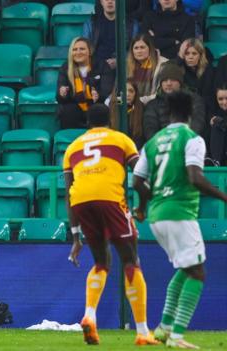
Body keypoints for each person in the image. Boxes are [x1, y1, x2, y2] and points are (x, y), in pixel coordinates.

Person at [132, 90, 227, 349]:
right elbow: (195, 177)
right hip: (180, 212)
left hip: (156, 215)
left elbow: (137, 180)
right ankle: (177, 335)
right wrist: (223, 196)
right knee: (197, 272)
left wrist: (142, 206)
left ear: (167, 113)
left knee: (186, 269)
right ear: (192, 113)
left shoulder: (152, 142)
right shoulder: (192, 138)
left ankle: (163, 328)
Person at [64, 104, 158, 346]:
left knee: (101, 262)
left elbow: (69, 192)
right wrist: (143, 206)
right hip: (110, 199)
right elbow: (139, 175)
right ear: (110, 119)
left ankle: (89, 315)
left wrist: (75, 237)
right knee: (131, 261)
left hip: (81, 203)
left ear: (88, 122)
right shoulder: (120, 139)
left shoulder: (72, 147)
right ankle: (142, 331)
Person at [56, 37, 114, 129]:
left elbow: (107, 90)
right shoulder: (65, 67)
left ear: (90, 51)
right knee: (68, 110)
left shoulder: (102, 65)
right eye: (75, 49)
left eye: (82, 49)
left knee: (99, 109)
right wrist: (63, 94)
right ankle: (70, 141)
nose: (78, 52)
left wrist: (98, 96)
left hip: (96, 105)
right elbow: (60, 98)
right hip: (75, 107)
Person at [143, 62, 206, 141]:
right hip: (162, 147)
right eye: (165, 80)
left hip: (187, 144)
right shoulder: (152, 105)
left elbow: (197, 124)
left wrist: (181, 141)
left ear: (180, 82)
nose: (168, 83)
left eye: (173, 80)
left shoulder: (194, 100)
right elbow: (150, 129)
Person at [83, 0, 138, 71]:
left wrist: (120, 61)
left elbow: (135, 50)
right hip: (97, 67)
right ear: (101, 2)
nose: (110, 2)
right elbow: (86, 47)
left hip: (124, 68)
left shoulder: (132, 24)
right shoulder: (91, 22)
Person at [126, 34, 169, 104]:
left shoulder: (163, 64)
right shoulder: (126, 65)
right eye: (136, 48)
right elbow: (117, 90)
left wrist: (139, 102)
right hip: (128, 105)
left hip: (153, 105)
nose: (139, 51)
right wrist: (120, 104)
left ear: (150, 48)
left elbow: (161, 93)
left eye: (142, 47)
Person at [172, 38, 214, 108]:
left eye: (194, 53)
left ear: (200, 55)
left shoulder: (208, 69)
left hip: (201, 107)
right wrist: (180, 58)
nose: (190, 57)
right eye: (187, 53)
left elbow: (207, 96)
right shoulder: (179, 66)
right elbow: (171, 79)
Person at [108, 79, 145, 147]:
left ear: (135, 94)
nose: (127, 94)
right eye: (124, 91)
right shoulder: (111, 109)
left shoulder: (141, 109)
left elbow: (141, 137)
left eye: (131, 91)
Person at [209, 85, 227, 165]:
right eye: (220, 99)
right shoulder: (214, 114)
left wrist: (221, 122)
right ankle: (216, 162)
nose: (224, 102)